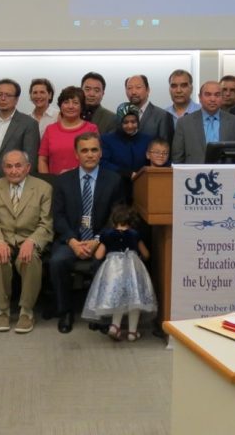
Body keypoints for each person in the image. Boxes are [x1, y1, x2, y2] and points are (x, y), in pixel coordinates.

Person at [50, 132, 126, 333]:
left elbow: (116, 216)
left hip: (102, 239)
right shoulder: (62, 181)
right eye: (84, 150)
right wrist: (73, 241)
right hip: (71, 240)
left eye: (94, 150)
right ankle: (65, 311)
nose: (90, 154)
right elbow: (58, 216)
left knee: (105, 261)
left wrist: (98, 240)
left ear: (100, 153)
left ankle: (99, 313)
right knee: (57, 262)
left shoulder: (114, 180)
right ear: (76, 154)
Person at [0, 150, 52, 334]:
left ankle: (26, 311)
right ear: (3, 168)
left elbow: (46, 223)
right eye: (9, 166)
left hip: (29, 238)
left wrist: (32, 241)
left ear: (28, 167)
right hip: (4, 238)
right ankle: (3, 310)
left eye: (18, 166)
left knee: (30, 259)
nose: (13, 171)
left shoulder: (43, 188)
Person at [81, 205, 156, 342]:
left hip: (114, 270)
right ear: (131, 220)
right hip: (133, 269)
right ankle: (132, 333)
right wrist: (140, 257)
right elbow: (146, 254)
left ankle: (115, 326)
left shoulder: (107, 235)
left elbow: (98, 255)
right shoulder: (134, 234)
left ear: (113, 220)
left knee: (118, 298)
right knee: (135, 301)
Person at [171, 80, 235, 164]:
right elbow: (177, 158)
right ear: (200, 97)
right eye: (208, 94)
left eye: (217, 95)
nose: (212, 99)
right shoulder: (184, 123)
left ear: (222, 98)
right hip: (195, 171)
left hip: (226, 171)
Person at [38, 86, 99, 175]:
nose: (70, 106)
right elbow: (42, 159)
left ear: (82, 107)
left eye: (75, 103)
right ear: (60, 106)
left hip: (84, 181)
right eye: (66, 102)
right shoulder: (50, 130)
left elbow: (96, 158)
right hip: (55, 181)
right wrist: (47, 180)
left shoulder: (91, 129)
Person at [0, 78, 40, 180]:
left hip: (16, 180)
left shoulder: (29, 123)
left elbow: (31, 159)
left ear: (16, 99)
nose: (3, 98)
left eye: (8, 95)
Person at [100, 103, 152, 180]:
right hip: (116, 183)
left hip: (142, 182)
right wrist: (127, 173)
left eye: (133, 122)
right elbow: (103, 163)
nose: (130, 126)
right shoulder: (106, 139)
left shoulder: (147, 140)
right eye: (125, 122)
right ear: (119, 122)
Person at [125, 75, 174, 144]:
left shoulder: (163, 116)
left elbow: (165, 146)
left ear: (148, 90)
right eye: (129, 88)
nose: (133, 92)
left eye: (138, 87)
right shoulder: (122, 115)